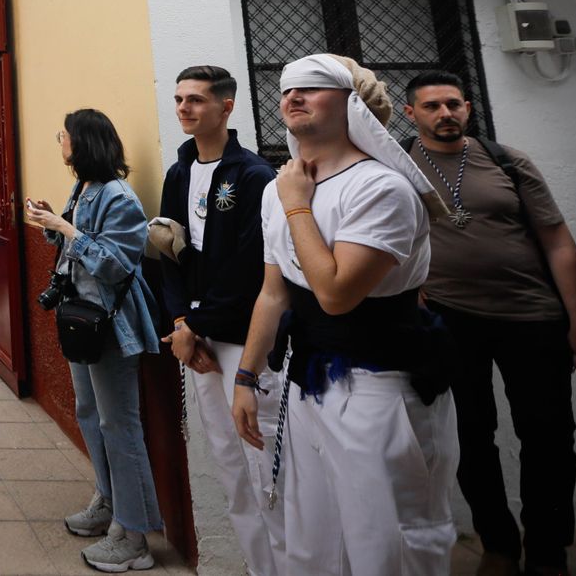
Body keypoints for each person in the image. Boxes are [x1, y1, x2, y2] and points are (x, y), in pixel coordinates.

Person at [232, 54, 458, 576]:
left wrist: (296, 205)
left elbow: (335, 293)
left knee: (389, 538)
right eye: (287, 89)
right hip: (309, 380)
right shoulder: (279, 187)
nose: (293, 97)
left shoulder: (381, 188)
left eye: (311, 88)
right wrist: (246, 377)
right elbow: (274, 294)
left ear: (352, 103)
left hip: (381, 387)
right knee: (315, 534)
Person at [402, 70, 576, 576]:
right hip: (446, 319)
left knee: (548, 434)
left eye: (454, 104)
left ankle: (549, 550)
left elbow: (557, 240)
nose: (446, 114)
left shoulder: (506, 160)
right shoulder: (396, 165)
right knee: (467, 436)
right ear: (410, 113)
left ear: (467, 107)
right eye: (433, 106)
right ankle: (498, 544)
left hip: (532, 316)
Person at [156, 66, 282, 576]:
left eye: (197, 100)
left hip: (243, 338)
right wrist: (182, 321)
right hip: (197, 337)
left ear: (226, 107)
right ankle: (257, 567)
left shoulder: (254, 175)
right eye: (180, 98)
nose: (185, 108)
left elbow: (251, 267)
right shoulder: (179, 171)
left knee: (264, 461)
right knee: (228, 465)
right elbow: (166, 247)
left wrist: (198, 324)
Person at [25, 110, 163, 572]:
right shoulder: (83, 189)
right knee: (89, 413)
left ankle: (135, 535)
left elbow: (116, 264)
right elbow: (74, 245)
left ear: (83, 142)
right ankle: (107, 502)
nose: (59, 140)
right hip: (80, 318)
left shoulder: (118, 197)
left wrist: (66, 230)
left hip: (110, 322)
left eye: (63, 134)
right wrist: (52, 221)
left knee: (119, 424)